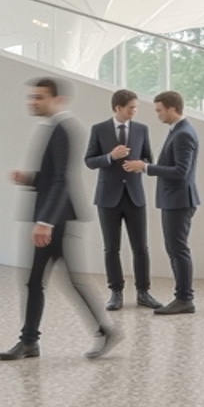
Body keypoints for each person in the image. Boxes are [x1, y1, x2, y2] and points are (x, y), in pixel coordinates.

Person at [2, 76, 116, 361]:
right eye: (32, 97)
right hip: (55, 218)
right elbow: (52, 177)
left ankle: (104, 331)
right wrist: (30, 178)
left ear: (57, 100)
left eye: (39, 97)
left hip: (57, 221)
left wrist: (46, 222)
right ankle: (30, 341)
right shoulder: (53, 127)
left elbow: (62, 180)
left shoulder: (63, 128)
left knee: (58, 281)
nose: (33, 102)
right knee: (37, 280)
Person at [87, 87, 159, 309]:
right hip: (108, 198)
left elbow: (148, 157)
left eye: (136, 108)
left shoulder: (141, 129)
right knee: (111, 248)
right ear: (118, 107)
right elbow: (89, 161)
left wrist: (141, 165)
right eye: (131, 108)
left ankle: (143, 292)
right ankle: (116, 293)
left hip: (135, 196)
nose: (134, 112)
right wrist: (110, 156)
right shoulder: (99, 129)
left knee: (141, 247)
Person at [151, 90, 201, 314]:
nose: (158, 115)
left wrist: (146, 168)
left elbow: (181, 171)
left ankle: (184, 298)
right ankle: (183, 297)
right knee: (175, 248)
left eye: (159, 110)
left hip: (179, 200)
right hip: (174, 200)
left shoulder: (183, 134)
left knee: (178, 249)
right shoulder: (178, 131)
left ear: (172, 108)